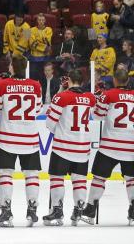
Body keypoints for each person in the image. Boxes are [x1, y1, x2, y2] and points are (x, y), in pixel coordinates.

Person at [0, 56, 43, 227]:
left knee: (5, 174)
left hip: (7, 137)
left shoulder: (2, 85)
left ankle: (6, 211)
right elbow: (37, 108)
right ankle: (32, 208)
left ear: (12, 67)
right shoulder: (36, 85)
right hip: (30, 138)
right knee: (32, 174)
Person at [43, 69, 96, 226]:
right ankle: (79, 210)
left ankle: (57, 211)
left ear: (69, 81)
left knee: (56, 178)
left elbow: (49, 124)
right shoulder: (90, 98)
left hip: (63, 147)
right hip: (83, 148)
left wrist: (60, 130)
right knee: (79, 180)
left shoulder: (62, 97)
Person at [84, 65, 134, 224]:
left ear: (114, 79)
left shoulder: (109, 94)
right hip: (131, 146)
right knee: (132, 179)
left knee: (99, 178)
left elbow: (97, 116)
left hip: (109, 146)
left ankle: (90, 210)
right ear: (128, 80)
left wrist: (99, 99)